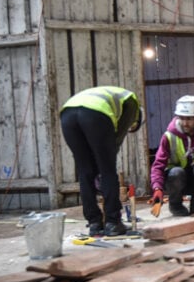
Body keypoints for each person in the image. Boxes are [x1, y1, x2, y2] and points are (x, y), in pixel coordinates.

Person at [60, 86, 143, 236]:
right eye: (133, 127)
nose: (130, 128)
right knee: (108, 170)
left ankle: (95, 223)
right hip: (95, 114)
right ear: (138, 118)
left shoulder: (112, 95)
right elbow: (116, 139)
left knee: (85, 171)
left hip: (68, 114)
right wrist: (104, 163)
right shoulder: (132, 104)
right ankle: (112, 222)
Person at [150, 95, 194, 217]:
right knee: (176, 172)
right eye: (181, 118)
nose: (184, 123)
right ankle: (175, 205)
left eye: (188, 119)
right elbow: (158, 165)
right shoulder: (169, 136)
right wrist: (157, 188)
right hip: (176, 181)